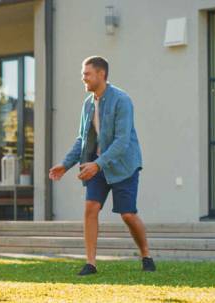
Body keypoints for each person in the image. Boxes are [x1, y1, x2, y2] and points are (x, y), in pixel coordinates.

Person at [49, 56, 155, 276]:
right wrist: (65, 164)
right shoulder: (87, 105)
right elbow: (83, 139)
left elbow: (122, 141)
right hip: (96, 165)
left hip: (123, 164)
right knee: (91, 208)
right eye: (83, 74)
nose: (83, 78)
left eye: (87, 74)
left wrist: (97, 164)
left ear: (101, 74)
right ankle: (91, 263)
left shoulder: (122, 100)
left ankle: (146, 254)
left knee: (127, 214)